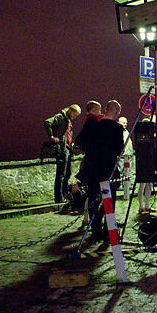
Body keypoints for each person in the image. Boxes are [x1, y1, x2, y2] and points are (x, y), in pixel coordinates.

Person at [75, 100, 126, 239]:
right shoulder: (117, 128)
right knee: (109, 199)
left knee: (93, 198)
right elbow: (118, 150)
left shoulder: (94, 125)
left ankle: (96, 227)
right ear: (116, 112)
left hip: (93, 169)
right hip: (108, 169)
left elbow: (82, 142)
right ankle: (108, 228)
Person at [44, 104, 80, 204]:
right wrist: (52, 136)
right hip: (61, 149)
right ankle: (58, 197)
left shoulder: (68, 120)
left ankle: (65, 195)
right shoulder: (61, 117)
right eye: (75, 114)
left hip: (67, 149)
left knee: (67, 173)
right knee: (61, 174)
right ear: (71, 111)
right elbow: (47, 122)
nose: (75, 117)